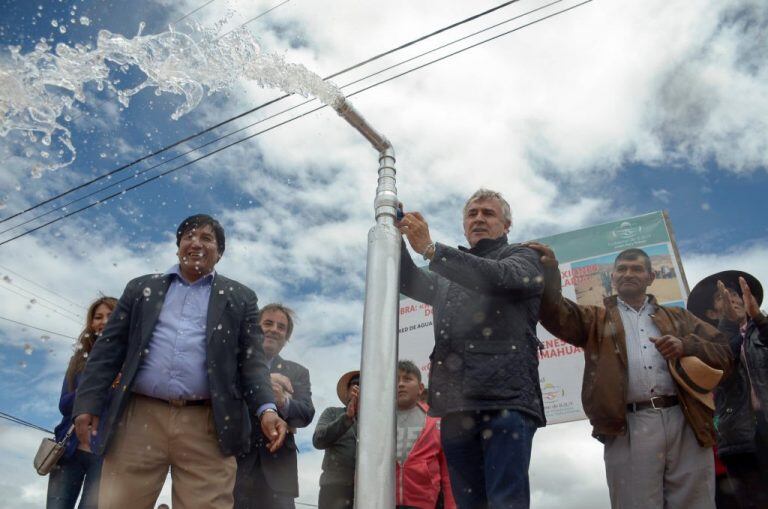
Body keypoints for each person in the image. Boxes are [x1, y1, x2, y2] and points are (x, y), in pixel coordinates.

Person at [72, 214, 287, 509]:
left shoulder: (240, 298)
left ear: (219, 253)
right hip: (138, 421)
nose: (196, 243)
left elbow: (252, 363)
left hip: (210, 426)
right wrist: (87, 404)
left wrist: (266, 409)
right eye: (188, 237)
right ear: (178, 247)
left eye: (206, 238)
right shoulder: (140, 290)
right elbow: (108, 351)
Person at [527, 242, 733, 509]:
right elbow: (554, 312)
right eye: (621, 269)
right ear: (612, 278)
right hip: (627, 424)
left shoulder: (679, 317)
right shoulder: (596, 319)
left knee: (695, 503)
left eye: (636, 269)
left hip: (685, 420)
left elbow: (725, 353)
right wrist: (550, 270)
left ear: (651, 277)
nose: (628, 273)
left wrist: (687, 345)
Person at [398, 189, 545, 508]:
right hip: (456, 407)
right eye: (472, 214)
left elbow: (497, 277)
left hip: (506, 401)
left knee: (505, 501)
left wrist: (432, 250)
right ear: (464, 225)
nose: (479, 218)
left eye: (488, 213)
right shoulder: (446, 277)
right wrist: (394, 229)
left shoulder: (523, 257)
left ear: (507, 225)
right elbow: (407, 280)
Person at [687, 271, 768, 508]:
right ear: (712, 313)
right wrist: (730, 325)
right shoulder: (708, 346)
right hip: (739, 441)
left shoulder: (764, 328)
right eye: (721, 298)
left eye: (735, 294)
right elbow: (719, 366)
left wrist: (760, 321)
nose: (731, 299)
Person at [234, 303, 315, 509]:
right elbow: (222, 399)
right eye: (268, 323)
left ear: (286, 338)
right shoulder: (234, 366)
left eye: (281, 327)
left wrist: (283, 401)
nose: (274, 330)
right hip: (234, 469)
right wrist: (264, 382)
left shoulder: (298, 372)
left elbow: (305, 414)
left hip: (279, 476)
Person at [47, 296, 117, 509]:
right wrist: (94, 386)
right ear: (91, 323)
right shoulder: (78, 360)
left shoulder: (131, 362)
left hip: (106, 456)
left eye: (110, 316)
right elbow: (64, 405)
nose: (104, 321)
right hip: (69, 450)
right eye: (98, 317)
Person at [395, 360, 456, 509]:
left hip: (424, 504)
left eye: (407, 379)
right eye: (395, 380)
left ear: (421, 388)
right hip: (383, 501)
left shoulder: (437, 422)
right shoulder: (378, 421)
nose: (400, 384)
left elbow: (449, 473)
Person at [313, 370, 359, 509]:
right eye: (355, 384)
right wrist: (346, 418)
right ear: (347, 391)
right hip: (334, 488)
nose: (358, 387)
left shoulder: (376, 419)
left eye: (364, 384)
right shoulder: (332, 412)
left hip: (368, 489)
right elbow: (318, 440)